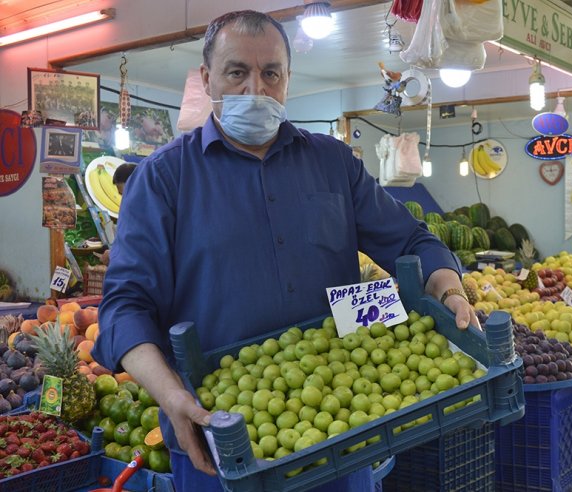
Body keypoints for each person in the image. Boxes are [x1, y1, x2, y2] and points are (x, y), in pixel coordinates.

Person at [91, 10, 477, 492]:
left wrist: (449, 290)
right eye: (237, 72)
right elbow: (125, 306)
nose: (256, 89)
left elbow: (413, 240)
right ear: (208, 79)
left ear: (287, 80)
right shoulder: (163, 178)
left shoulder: (333, 162)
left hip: (341, 428)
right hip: (219, 437)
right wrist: (171, 397)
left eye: (270, 73)